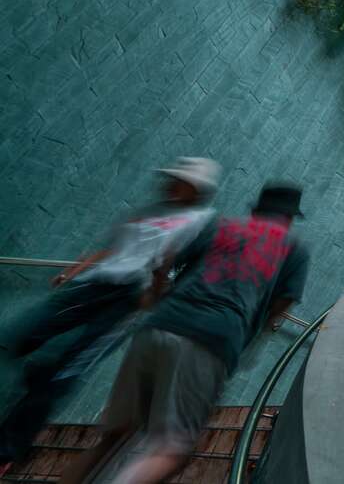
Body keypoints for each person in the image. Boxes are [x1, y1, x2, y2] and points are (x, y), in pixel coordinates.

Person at [62, 183, 310, 484]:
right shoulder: (294, 248)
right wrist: (258, 327)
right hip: (211, 339)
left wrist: (156, 296)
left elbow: (164, 261)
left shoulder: (221, 225)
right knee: (171, 450)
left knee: (112, 437)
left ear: (256, 209)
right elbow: (283, 301)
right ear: (289, 218)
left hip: (159, 324)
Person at [0, 158, 219, 474]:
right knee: (21, 335)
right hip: (93, 285)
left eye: (179, 180)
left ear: (197, 188)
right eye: (171, 177)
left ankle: (8, 447)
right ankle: (33, 384)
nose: (169, 183)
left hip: (128, 299)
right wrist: (80, 268)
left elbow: (188, 272)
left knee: (63, 369)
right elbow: (115, 249)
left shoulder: (202, 222)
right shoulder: (150, 210)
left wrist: (155, 294)